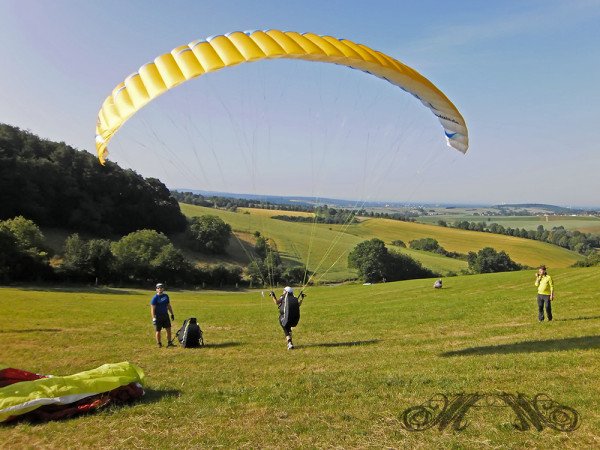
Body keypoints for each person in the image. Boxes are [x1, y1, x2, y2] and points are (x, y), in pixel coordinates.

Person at [151, 283, 176, 347]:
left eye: (161, 288)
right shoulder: (155, 298)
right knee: (158, 331)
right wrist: (154, 318)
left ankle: (169, 342)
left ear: (163, 289)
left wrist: (172, 314)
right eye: (158, 288)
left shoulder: (166, 296)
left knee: (168, 329)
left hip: (165, 315)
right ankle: (159, 343)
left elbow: (169, 306)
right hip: (158, 316)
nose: (160, 289)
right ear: (156, 289)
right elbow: (153, 309)